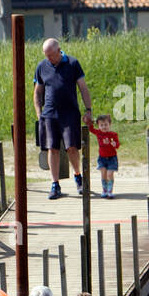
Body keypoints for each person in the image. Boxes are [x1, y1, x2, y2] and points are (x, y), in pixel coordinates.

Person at [33, 38, 94, 200]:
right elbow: (38, 92)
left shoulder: (73, 63)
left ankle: (78, 176)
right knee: (52, 149)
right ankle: (55, 184)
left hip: (69, 114)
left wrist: (88, 110)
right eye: (46, 55)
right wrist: (39, 114)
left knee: (71, 147)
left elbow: (83, 88)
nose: (49, 59)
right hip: (49, 115)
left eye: (51, 55)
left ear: (59, 50)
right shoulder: (41, 66)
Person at [90, 113, 120, 198]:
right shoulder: (98, 133)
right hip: (102, 158)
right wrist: (90, 122)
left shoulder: (113, 134)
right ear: (98, 126)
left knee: (109, 174)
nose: (104, 127)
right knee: (103, 174)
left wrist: (115, 144)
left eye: (106, 125)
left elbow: (117, 145)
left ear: (110, 124)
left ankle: (110, 190)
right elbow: (91, 129)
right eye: (101, 125)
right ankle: (104, 190)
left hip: (112, 158)